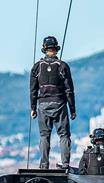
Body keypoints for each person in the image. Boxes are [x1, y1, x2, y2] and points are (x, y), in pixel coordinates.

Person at [30, 35, 76, 169]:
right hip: (60, 104)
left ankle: (44, 165)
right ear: (56, 49)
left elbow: (33, 90)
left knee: (44, 135)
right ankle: (65, 164)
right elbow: (69, 90)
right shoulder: (62, 66)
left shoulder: (37, 67)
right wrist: (72, 109)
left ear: (44, 49)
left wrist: (33, 107)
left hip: (42, 105)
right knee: (64, 135)